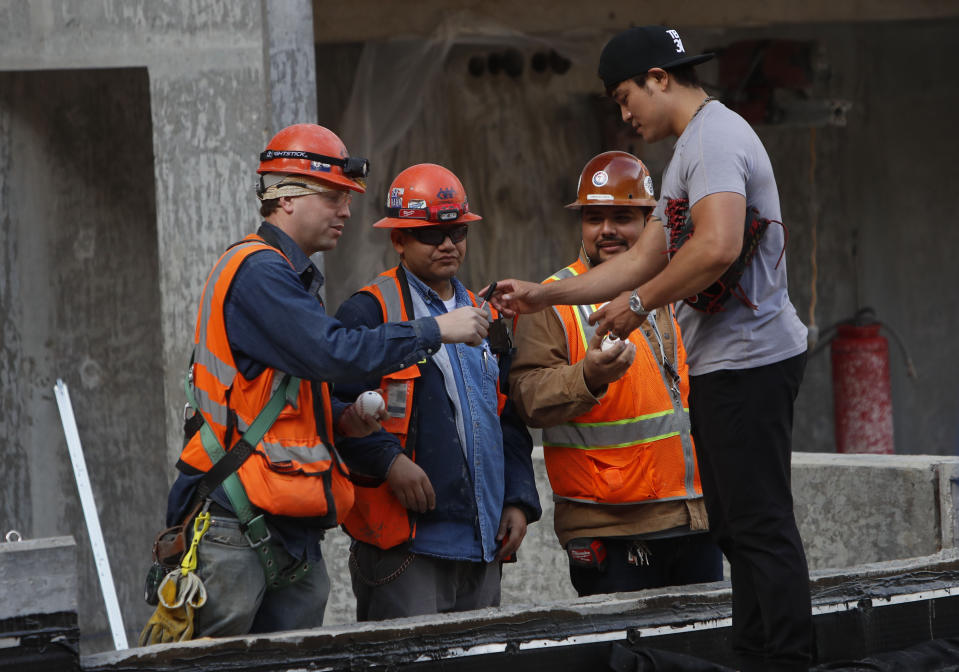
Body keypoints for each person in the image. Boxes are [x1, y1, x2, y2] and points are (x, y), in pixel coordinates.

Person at [490, 26, 811, 672]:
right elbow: (646, 257)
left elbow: (716, 245)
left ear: (660, 78)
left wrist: (638, 306)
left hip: (750, 359)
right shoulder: (689, 153)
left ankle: (783, 661)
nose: (624, 113)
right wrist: (543, 296)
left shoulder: (716, 138)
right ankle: (759, 658)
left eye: (624, 95)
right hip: (728, 368)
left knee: (757, 526)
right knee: (740, 531)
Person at [144, 125, 491, 641]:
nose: (346, 212)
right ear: (285, 197)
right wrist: (434, 328)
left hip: (281, 522)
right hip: (237, 520)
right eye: (333, 197)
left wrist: (342, 420)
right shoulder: (258, 273)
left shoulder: (288, 277)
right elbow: (333, 352)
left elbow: (279, 398)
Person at [508, 151, 722, 597]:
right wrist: (587, 377)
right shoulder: (550, 300)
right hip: (609, 527)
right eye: (593, 218)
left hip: (693, 518)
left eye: (622, 217)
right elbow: (527, 397)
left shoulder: (674, 288)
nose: (605, 230)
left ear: (650, 222)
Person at [333, 163, 541, 621]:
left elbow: (506, 416)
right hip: (406, 545)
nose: (448, 243)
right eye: (431, 234)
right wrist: (389, 460)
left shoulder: (484, 314)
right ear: (399, 240)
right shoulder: (370, 311)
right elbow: (333, 405)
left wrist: (518, 500)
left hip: (483, 538)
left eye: (457, 231)